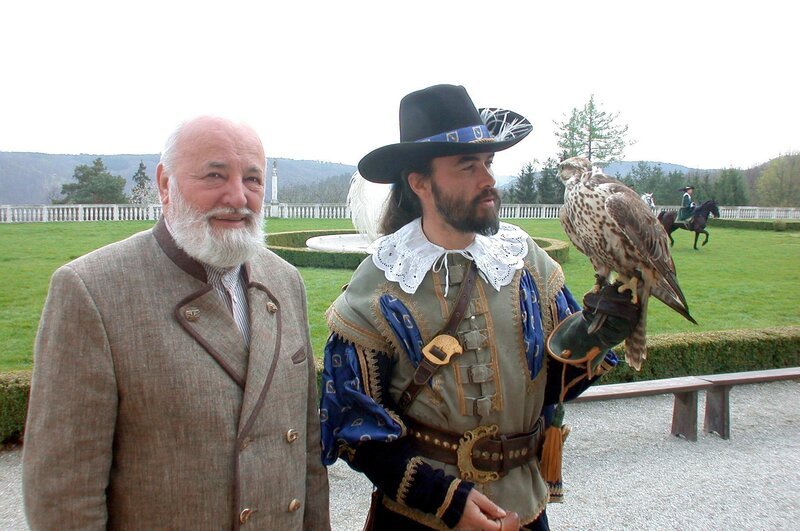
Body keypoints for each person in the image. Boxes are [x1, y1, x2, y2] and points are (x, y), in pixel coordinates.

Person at [319, 85, 640, 530]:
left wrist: (593, 335)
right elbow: (355, 425)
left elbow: (554, 385)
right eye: (467, 166)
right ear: (420, 183)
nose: (487, 179)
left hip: (525, 509)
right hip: (423, 519)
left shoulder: (527, 263)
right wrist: (444, 500)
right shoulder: (376, 288)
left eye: (488, 163)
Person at [22, 116, 330, 530]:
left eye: (253, 179)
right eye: (214, 175)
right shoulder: (91, 291)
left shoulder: (284, 280)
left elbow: (307, 451)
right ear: (166, 185)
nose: (238, 196)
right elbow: (63, 493)